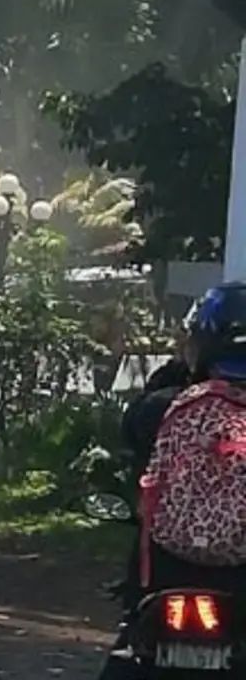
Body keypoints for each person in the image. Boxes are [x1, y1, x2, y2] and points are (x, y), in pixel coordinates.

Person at [97, 283, 246, 679]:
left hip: (164, 573)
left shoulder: (166, 407)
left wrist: (183, 370)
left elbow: (131, 432)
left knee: (129, 646)